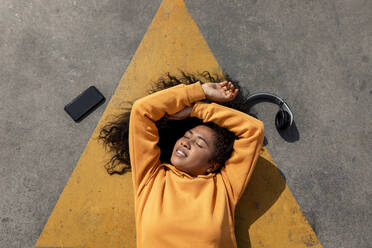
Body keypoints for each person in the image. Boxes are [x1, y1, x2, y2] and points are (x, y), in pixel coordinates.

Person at [99, 72, 264, 247]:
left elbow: (253, 130)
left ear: (212, 165)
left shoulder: (224, 187)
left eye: (199, 144)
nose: (186, 143)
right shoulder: (151, 178)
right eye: (187, 136)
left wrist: (197, 110)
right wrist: (201, 91)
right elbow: (142, 111)